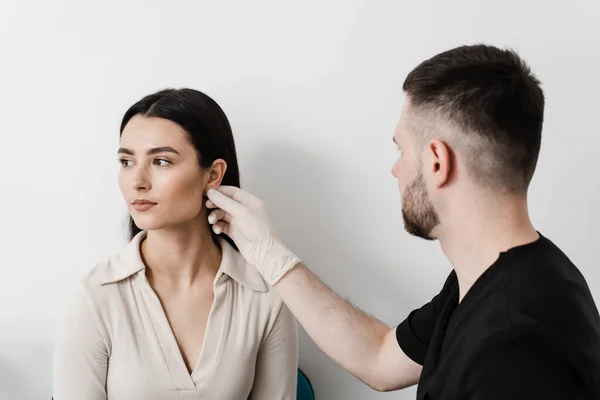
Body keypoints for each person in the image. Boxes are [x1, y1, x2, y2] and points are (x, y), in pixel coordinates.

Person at [205, 45, 600, 399]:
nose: (396, 169)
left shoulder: (517, 347)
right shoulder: (497, 280)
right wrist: (270, 255)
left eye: (401, 149)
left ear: (436, 162)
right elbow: (379, 357)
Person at [53, 88, 298, 400]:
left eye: (161, 161)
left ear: (213, 175)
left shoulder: (265, 295)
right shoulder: (97, 295)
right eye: (127, 161)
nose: (138, 180)